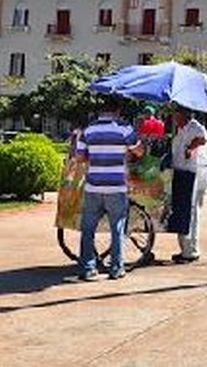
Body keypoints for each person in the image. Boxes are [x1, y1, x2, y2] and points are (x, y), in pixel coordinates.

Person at [75, 96, 144, 281]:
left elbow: (80, 158)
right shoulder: (124, 129)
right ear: (117, 111)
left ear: (100, 111)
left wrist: (97, 158)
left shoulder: (87, 130)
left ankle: (88, 269)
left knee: (88, 228)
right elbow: (138, 151)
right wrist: (133, 148)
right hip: (116, 188)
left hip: (93, 187)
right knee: (117, 228)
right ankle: (116, 268)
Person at [168, 106, 207, 263]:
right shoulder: (181, 130)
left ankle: (191, 251)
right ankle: (185, 249)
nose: (173, 118)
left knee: (192, 213)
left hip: (195, 175)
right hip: (183, 174)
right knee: (184, 212)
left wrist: (191, 146)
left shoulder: (195, 126)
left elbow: (205, 138)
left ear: (183, 115)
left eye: (175, 114)